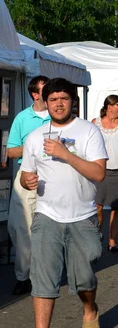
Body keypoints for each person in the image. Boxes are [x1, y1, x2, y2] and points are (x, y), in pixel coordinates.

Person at [20, 78, 108, 328]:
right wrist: (28, 181)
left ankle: (90, 309)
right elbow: (27, 177)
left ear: (73, 101)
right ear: (45, 103)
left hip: (83, 216)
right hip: (47, 217)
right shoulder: (35, 137)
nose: (59, 104)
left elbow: (99, 174)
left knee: (84, 279)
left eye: (64, 98)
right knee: (42, 281)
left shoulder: (88, 131)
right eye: (53, 99)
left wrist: (65, 154)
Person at [6, 76, 50, 296]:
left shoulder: (59, 116)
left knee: (52, 228)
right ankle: (24, 276)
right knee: (20, 228)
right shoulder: (23, 118)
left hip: (54, 175)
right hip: (27, 174)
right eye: (45, 90)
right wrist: (31, 146)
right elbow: (11, 151)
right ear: (35, 94)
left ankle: (46, 273)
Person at [92, 95, 118, 253]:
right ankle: (97, 236)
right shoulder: (95, 123)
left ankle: (112, 240)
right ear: (109, 107)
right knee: (97, 206)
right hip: (101, 170)